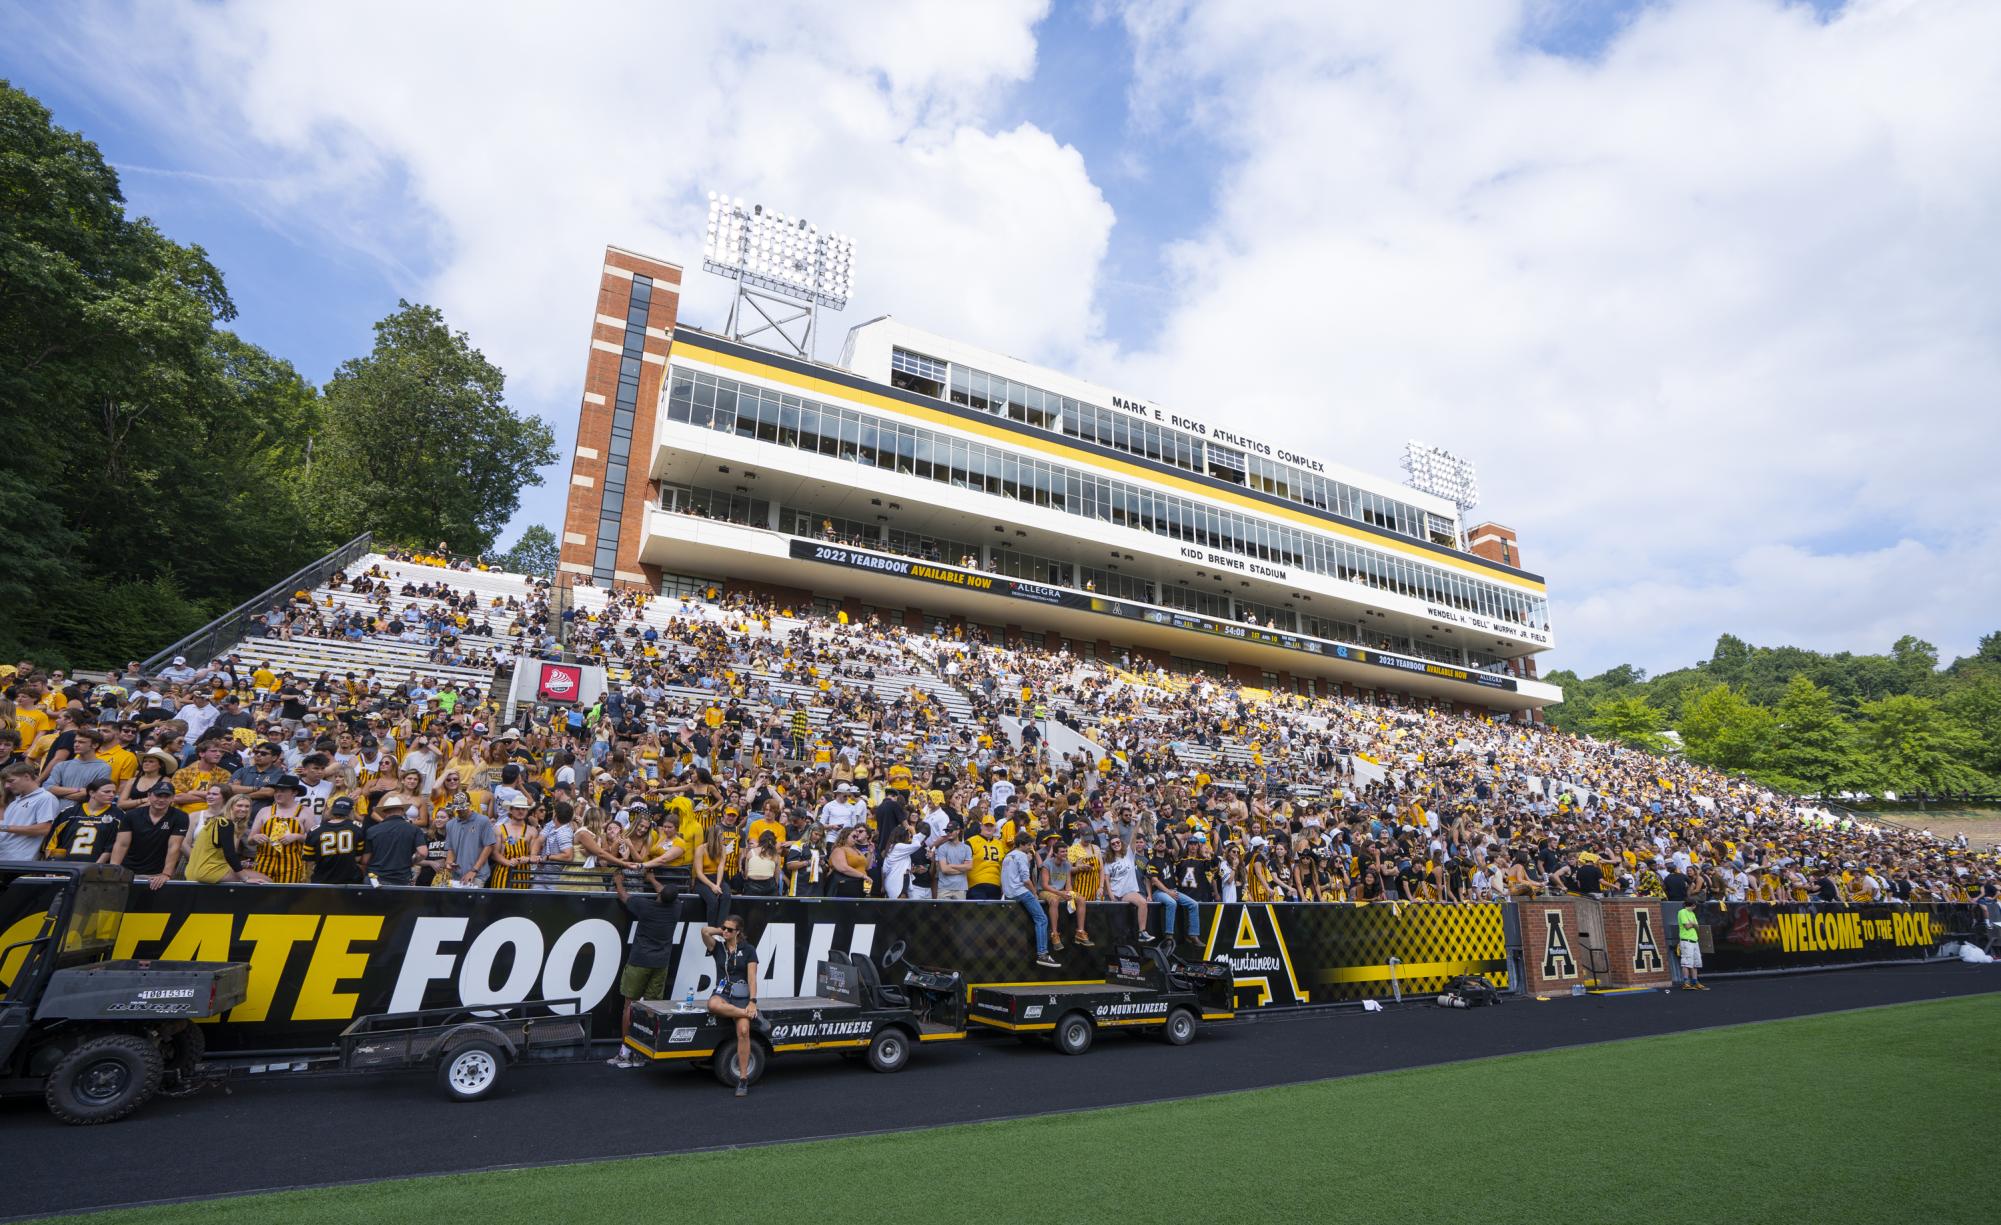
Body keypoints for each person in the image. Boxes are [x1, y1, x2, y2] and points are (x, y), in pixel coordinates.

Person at [609, 868, 678, 1069]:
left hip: (639, 961)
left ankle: (625, 1052)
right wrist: (653, 879)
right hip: (660, 964)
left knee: (629, 1006)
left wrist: (618, 881)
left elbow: (622, 895)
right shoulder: (676, 909)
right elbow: (665, 893)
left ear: (659, 895)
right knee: (650, 1008)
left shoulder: (645, 907)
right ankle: (642, 1053)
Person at [702, 914, 760, 1096]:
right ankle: (744, 1013)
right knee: (712, 1004)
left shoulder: (748, 949)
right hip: (723, 993)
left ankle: (743, 1079)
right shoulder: (718, 947)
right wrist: (723, 931)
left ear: (739, 932)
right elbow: (704, 931)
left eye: (730, 929)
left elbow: (752, 977)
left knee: (743, 1032)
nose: (725, 931)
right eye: (724, 928)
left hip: (742, 994)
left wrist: (752, 1001)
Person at [109, 783, 188, 889]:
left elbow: (174, 846)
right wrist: (114, 869)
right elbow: (121, 844)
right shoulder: (132, 815)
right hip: (128, 870)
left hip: (157, 874)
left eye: (166, 796)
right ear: (149, 795)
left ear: (173, 798)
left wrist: (166, 874)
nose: (161, 800)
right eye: (158, 795)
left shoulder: (180, 816)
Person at [184, 794, 272, 884]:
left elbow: (215, 853)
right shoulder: (225, 823)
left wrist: (240, 864)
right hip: (208, 871)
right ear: (230, 807)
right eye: (239, 805)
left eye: (247, 806)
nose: (244, 809)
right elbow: (230, 854)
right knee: (267, 881)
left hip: (195, 870)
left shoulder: (217, 821)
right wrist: (245, 878)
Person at [1003, 832, 1060, 968]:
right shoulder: (1021, 856)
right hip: (1021, 892)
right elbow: (1026, 879)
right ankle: (1043, 954)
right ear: (1022, 844)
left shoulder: (1008, 855)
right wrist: (1035, 893)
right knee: (1042, 919)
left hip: (1009, 893)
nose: (1030, 847)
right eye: (1028, 845)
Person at [43, 778, 123, 863]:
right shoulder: (69, 813)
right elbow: (51, 842)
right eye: (107, 792)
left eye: (114, 792)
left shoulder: (118, 816)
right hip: (65, 866)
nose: (112, 795)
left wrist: (96, 867)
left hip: (96, 868)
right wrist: (53, 865)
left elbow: (113, 846)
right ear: (92, 793)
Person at [249, 775, 310, 884]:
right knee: (260, 896)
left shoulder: (305, 812)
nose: (278, 794)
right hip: (264, 862)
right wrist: (256, 837)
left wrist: (297, 836)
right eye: (276, 791)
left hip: (292, 865)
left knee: (287, 897)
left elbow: (314, 840)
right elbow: (250, 840)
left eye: (282, 791)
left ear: (294, 793)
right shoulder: (264, 811)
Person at [1038, 834, 1089, 949]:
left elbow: (1068, 885)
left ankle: (1080, 932)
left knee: (1081, 898)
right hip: (1045, 891)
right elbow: (1044, 885)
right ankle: (1054, 934)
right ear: (1055, 853)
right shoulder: (1047, 864)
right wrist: (1061, 894)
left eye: (1066, 851)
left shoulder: (1067, 864)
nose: (1065, 854)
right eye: (1062, 852)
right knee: (1054, 900)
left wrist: (1070, 894)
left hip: (1061, 891)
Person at [1, 761, 59, 861]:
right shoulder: (15, 801)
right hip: (5, 858)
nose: (6, 786)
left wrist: (4, 827)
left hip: (19, 862)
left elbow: (44, 829)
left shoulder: (45, 798)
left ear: (27, 777)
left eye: (11, 781)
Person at [362, 794, 425, 887]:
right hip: (401, 879)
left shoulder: (372, 830)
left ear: (384, 812)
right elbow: (423, 853)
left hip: (375, 879)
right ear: (402, 811)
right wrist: (412, 862)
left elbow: (365, 860)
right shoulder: (414, 829)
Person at [307, 797, 369, 885]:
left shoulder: (314, 831)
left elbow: (310, 861)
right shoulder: (358, 828)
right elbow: (357, 858)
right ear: (351, 812)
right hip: (349, 881)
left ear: (331, 810)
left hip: (322, 881)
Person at [966, 814, 1006, 901]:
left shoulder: (1000, 844)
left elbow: (1003, 866)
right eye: (986, 825)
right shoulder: (971, 841)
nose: (989, 827)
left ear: (995, 828)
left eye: (991, 825)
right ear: (981, 826)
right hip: (976, 885)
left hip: (995, 885)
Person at [932, 821, 971, 900]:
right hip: (944, 888)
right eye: (947, 831)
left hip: (960, 888)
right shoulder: (942, 848)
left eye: (951, 830)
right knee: (942, 912)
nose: (948, 833)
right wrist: (962, 869)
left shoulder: (966, 848)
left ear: (958, 831)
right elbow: (944, 869)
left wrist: (951, 866)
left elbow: (969, 866)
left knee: (960, 912)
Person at [1676, 903, 1706, 991]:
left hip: (1694, 941)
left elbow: (1697, 927)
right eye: (1695, 905)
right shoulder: (1682, 912)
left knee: (1695, 963)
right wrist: (1693, 924)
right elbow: (1687, 926)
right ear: (1693, 905)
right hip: (1686, 941)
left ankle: (1695, 982)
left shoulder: (1692, 914)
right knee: (1686, 962)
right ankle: (1686, 982)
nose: (1695, 907)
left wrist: (1692, 924)